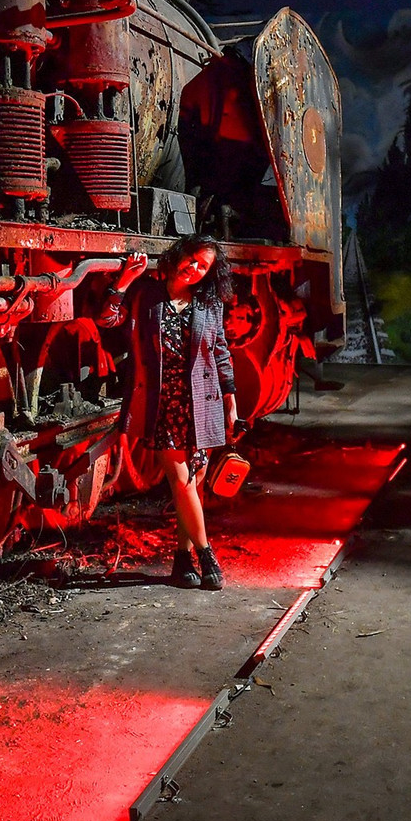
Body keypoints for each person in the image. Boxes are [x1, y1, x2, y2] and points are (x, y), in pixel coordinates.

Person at [97, 233, 241, 589]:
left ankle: (182, 562)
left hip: (203, 405)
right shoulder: (147, 296)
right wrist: (125, 281)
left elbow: (221, 354)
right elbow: (107, 319)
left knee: (192, 487)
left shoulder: (210, 305)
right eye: (191, 259)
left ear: (210, 273)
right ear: (178, 255)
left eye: (203, 266)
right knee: (182, 483)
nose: (193, 268)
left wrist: (231, 404)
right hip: (164, 405)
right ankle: (208, 557)